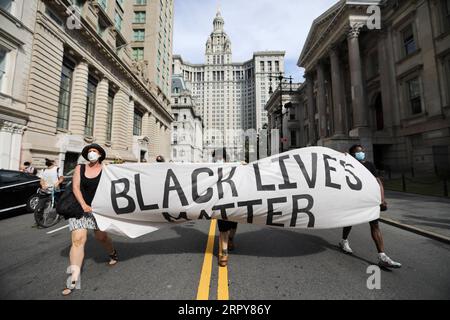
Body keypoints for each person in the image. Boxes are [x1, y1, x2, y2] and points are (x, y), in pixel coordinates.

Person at [62, 144, 118, 296]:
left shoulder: (106, 169)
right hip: (79, 208)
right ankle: (73, 279)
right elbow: (75, 187)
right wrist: (84, 205)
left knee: (101, 237)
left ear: (100, 154)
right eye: (89, 151)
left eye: (95, 151)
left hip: (99, 210)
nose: (92, 153)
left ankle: (112, 252)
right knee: (78, 240)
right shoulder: (80, 168)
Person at [339, 145, 401, 268]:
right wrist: (342, 156)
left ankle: (382, 256)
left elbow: (378, 182)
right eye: (358, 152)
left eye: (362, 151)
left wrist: (382, 199)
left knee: (375, 224)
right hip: (355, 198)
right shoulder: (348, 164)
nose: (361, 153)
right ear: (352, 155)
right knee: (349, 221)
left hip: (369, 199)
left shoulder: (370, 165)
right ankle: (344, 241)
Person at [213, 148, 238, 267]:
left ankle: (231, 239)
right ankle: (224, 253)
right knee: (223, 227)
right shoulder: (210, 169)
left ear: (224, 157)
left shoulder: (232, 166)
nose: (218, 159)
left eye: (220, 157)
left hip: (232, 199)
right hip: (220, 200)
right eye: (216, 157)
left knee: (233, 224)